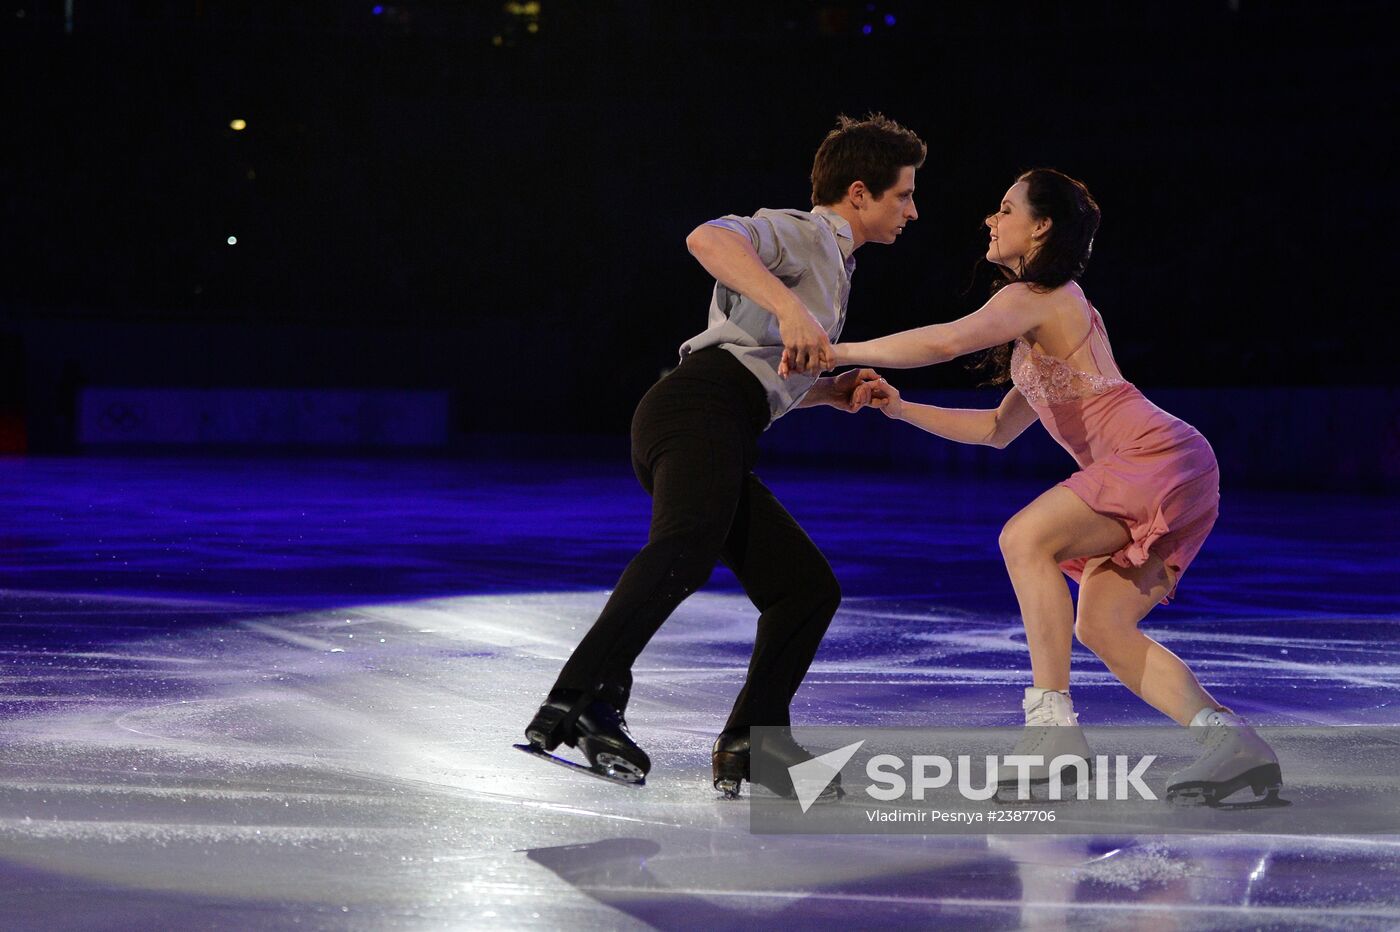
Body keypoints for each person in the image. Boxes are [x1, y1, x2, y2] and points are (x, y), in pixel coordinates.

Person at [794, 168, 1280, 804]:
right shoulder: (1040, 321)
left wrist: (833, 351)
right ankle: (1233, 742)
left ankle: (1053, 734)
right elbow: (996, 430)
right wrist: (900, 408)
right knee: (1102, 626)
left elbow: (945, 341)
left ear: (1042, 226)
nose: (991, 221)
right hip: (1176, 466)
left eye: (1005, 209)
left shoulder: (1041, 295)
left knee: (1025, 539)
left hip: (1152, 457)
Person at [524, 114, 927, 797]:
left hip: (723, 419)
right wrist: (788, 309)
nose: (913, 212)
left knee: (804, 589)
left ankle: (755, 741)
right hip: (697, 408)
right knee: (685, 549)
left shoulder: (836, 264)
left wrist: (828, 392)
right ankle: (580, 698)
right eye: (905, 195)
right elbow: (707, 238)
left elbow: (760, 366)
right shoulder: (804, 232)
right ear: (859, 193)